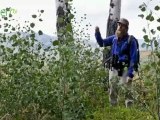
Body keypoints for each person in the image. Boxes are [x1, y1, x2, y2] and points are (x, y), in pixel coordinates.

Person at [95, 18, 138, 107]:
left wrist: (130, 74)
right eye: (119, 25)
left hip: (125, 69)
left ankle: (130, 111)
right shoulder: (114, 38)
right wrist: (97, 33)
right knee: (112, 91)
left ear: (126, 28)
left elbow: (133, 58)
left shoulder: (131, 40)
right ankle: (113, 110)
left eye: (122, 26)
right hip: (113, 69)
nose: (119, 27)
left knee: (128, 91)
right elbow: (101, 43)